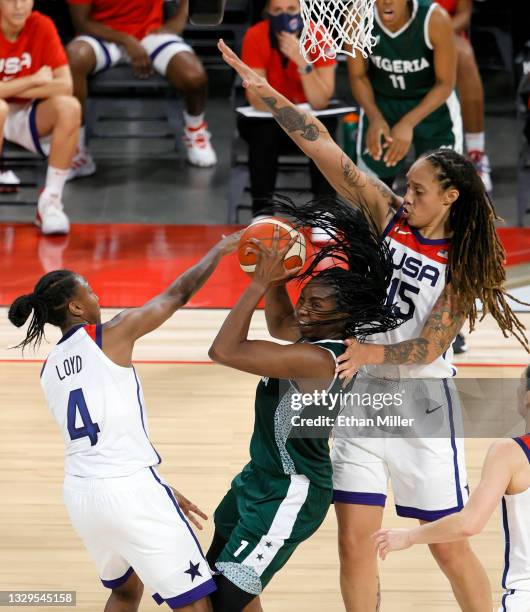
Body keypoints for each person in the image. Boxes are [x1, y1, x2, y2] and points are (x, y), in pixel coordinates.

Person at [217, 39, 529, 611]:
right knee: (354, 544)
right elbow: (326, 150)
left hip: (421, 405)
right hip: (359, 400)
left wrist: (370, 355)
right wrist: (270, 97)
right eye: (405, 187)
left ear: (451, 197)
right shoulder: (390, 216)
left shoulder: (462, 261)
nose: (405, 197)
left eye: (418, 190)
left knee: (450, 545)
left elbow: (430, 343)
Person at [7, 232, 241, 612]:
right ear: (76, 308)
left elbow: (105, 437)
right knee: (198, 604)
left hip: (83, 496)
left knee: (126, 591)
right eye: (90, 293)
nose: (97, 298)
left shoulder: (48, 369)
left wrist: (158, 484)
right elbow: (176, 295)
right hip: (130, 492)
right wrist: (220, 250)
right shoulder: (108, 336)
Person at [206, 198, 401, 610]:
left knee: (221, 602)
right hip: (259, 477)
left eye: (315, 306)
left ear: (343, 317)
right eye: (304, 299)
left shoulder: (316, 360)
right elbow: (281, 324)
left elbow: (223, 350)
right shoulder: (316, 331)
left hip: (290, 492)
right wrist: (278, 278)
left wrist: (258, 282)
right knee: (219, 586)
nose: (304, 312)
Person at [374, 368, 530, 612]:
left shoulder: (510, 452)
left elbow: (468, 524)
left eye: (519, 386)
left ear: (527, 397)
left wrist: (408, 537)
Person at [66, 0, 216, 174]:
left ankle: (195, 131)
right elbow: (81, 22)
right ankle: (74, 147)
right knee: (73, 59)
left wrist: (177, 23)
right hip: (102, 34)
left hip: (150, 34)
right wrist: (127, 40)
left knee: (194, 77)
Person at [239, 0, 337, 219]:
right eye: (277, 10)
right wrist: (289, 113)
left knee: (324, 129)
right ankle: (262, 212)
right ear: (267, 12)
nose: (284, 16)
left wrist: (301, 61)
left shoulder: (318, 35)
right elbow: (255, 99)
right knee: (263, 132)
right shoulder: (255, 35)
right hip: (270, 120)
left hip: (306, 119)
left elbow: (320, 101)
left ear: (302, 10)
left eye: (291, 10)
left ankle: (325, 212)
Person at [348, 0, 462, 188]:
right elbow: (357, 77)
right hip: (383, 104)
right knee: (371, 192)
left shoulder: (435, 19)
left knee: (440, 189)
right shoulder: (358, 17)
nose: (387, 1)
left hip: (432, 107)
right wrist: (375, 118)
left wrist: (407, 122)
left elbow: (445, 84)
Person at [0, 0, 81, 234]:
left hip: (26, 113)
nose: (18, 6)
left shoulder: (42, 25)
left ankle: (50, 202)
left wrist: (8, 88)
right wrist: (33, 80)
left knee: (69, 107)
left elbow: (65, 85)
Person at [435, 0, 492, 192]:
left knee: (465, 54)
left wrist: (434, 32)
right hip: (404, 35)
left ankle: (476, 154)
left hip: (444, 34)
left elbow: (464, 16)